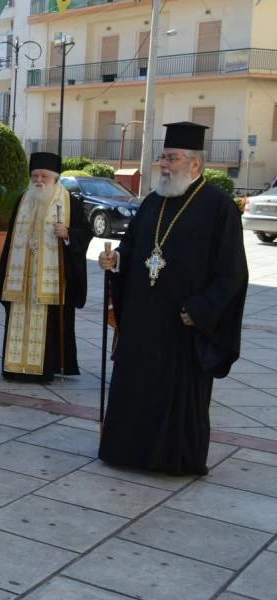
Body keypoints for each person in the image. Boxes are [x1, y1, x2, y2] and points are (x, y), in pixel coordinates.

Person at [98, 121, 248, 476]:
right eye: (163, 157)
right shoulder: (152, 202)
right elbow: (134, 249)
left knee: (174, 395)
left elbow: (233, 273)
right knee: (137, 389)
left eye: (173, 158)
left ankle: (172, 459)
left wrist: (201, 310)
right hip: (143, 321)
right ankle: (126, 451)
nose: (164, 164)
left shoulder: (219, 208)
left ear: (195, 165)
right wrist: (115, 259)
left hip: (182, 323)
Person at [0, 152, 92, 383]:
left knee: (50, 323)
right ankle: (15, 368)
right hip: (22, 279)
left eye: (43, 176)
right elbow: (10, 241)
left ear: (55, 178)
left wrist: (68, 234)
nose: (38, 180)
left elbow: (86, 232)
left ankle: (47, 368)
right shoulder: (22, 200)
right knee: (19, 318)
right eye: (35, 175)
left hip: (53, 280)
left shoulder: (70, 202)